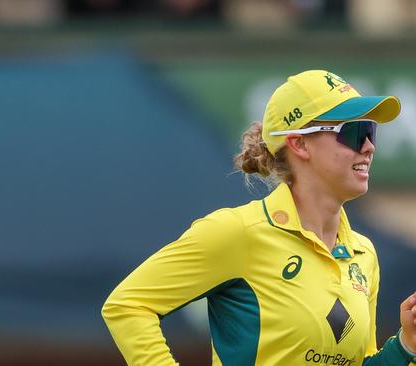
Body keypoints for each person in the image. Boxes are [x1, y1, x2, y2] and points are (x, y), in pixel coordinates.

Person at [102, 70, 416, 365]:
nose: (369, 146)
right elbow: (128, 306)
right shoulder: (238, 231)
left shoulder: (364, 253)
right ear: (299, 143)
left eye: (370, 130)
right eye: (354, 132)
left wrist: (406, 345)